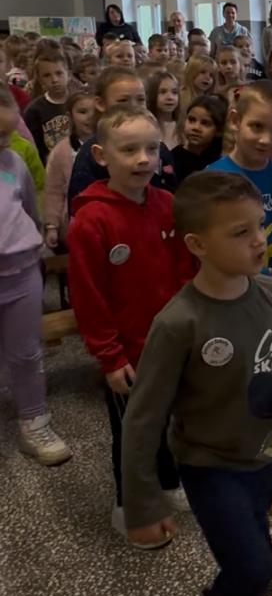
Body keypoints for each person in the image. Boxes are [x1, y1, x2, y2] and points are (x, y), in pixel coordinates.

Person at [121, 171, 272, 596]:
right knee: (253, 565)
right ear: (197, 245)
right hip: (210, 466)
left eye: (259, 226)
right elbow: (142, 418)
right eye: (240, 232)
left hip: (264, 454)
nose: (259, 239)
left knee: (251, 556)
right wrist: (143, 503)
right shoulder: (179, 323)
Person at [68, 110, 194, 535]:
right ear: (101, 156)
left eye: (152, 148)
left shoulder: (168, 206)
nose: (143, 158)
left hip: (171, 344)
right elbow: (89, 298)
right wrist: (109, 356)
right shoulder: (91, 220)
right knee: (132, 432)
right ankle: (130, 504)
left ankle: (169, 480)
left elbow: (186, 273)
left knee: (170, 418)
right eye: (129, 150)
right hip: (127, 354)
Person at [0, 90, 71, 465]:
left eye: (8, 133)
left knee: (27, 352)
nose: (5, 143)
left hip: (21, 272)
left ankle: (34, 420)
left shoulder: (14, 161)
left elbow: (30, 208)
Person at [207, 81, 272, 302]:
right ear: (235, 121)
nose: (266, 140)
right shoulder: (212, 179)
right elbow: (211, 244)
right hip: (228, 292)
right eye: (257, 126)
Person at [68, 66, 175, 204]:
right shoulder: (90, 153)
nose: (133, 106)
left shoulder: (160, 149)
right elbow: (79, 199)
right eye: (123, 101)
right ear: (100, 103)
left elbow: (171, 189)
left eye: (140, 100)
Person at [43, 89, 97, 249]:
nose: (90, 117)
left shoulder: (111, 144)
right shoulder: (61, 152)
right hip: (74, 224)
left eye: (95, 112)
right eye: (82, 112)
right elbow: (53, 191)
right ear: (70, 115)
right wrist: (52, 225)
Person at [23, 42, 72, 165]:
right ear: (40, 79)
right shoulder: (34, 111)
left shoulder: (79, 103)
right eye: (47, 75)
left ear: (68, 74)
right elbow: (34, 146)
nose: (54, 80)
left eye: (59, 73)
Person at [170, 93, 227, 186]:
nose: (196, 128)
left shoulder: (219, 164)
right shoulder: (173, 157)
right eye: (191, 120)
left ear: (219, 130)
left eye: (205, 123)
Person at [147, 70, 180, 150]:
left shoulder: (183, 126)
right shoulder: (147, 126)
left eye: (174, 92)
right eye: (163, 92)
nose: (170, 97)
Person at [179, 55, 218, 124]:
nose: (208, 77)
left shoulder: (213, 99)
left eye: (211, 75)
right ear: (191, 73)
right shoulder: (179, 96)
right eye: (202, 72)